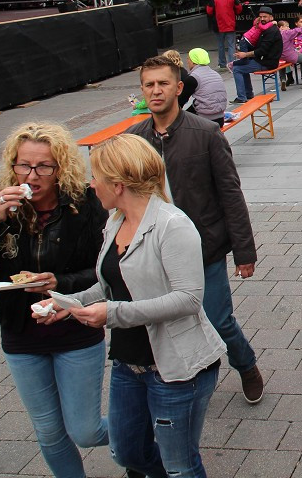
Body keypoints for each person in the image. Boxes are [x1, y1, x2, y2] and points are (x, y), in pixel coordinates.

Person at [41, 134, 224, 478]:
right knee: (127, 450)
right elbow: (112, 283)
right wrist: (70, 303)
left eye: (96, 177)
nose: (91, 185)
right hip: (129, 364)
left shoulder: (173, 225)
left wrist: (112, 314)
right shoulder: (115, 221)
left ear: (119, 184)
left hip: (176, 369)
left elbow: (188, 298)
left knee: (180, 465)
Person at [0, 123, 108, 478]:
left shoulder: (84, 206)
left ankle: (145, 433)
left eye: (44, 166)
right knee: (49, 431)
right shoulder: (1, 205)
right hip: (20, 331)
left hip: (73, 327)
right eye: (23, 165)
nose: (32, 175)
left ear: (61, 169)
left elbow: (108, 270)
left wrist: (62, 282)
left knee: (85, 431)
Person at [127, 57, 263, 404]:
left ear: (178, 88)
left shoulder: (204, 133)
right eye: (149, 85)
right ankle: (180, 378)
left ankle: (245, 363)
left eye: (163, 83)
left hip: (204, 248)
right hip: (155, 251)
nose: (156, 91)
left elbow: (230, 194)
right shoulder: (135, 140)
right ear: (142, 91)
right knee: (165, 321)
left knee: (218, 319)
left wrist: (244, 252)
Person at [230, 7, 286, 103]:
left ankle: (242, 97)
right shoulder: (266, 28)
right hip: (263, 60)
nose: (263, 19)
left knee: (237, 69)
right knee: (241, 66)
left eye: (265, 17)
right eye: (261, 17)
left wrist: (245, 54)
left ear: (271, 18)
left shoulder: (271, 31)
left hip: (267, 63)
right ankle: (248, 94)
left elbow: (262, 50)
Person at [186, 48, 227, 127]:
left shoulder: (194, 77)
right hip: (220, 118)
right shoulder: (215, 73)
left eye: (188, 58)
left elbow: (181, 100)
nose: (187, 61)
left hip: (204, 120)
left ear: (193, 61)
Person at [206, 0, 242, 70]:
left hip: (218, 26)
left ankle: (222, 63)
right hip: (230, 24)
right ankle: (232, 64)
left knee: (220, 45)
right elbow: (239, 8)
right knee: (231, 45)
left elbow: (209, 10)